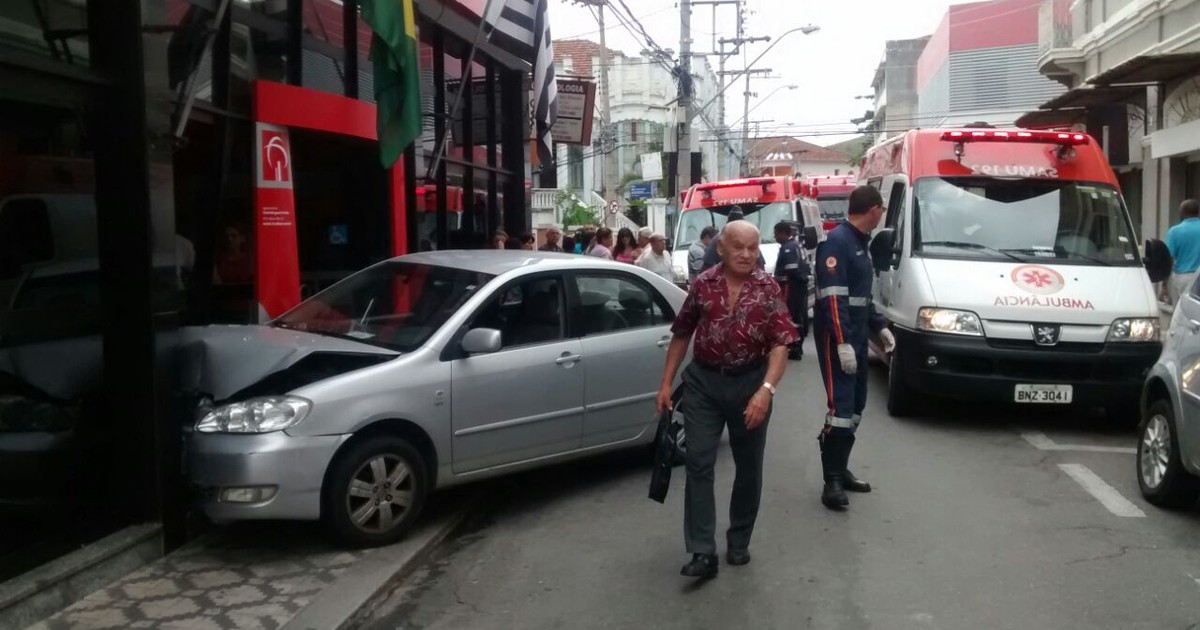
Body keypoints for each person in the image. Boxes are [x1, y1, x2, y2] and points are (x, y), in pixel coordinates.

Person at [655, 221, 796, 580]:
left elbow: (781, 343)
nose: (747, 254)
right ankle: (702, 551)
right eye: (739, 247)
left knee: (748, 467)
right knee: (699, 462)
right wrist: (666, 383)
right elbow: (682, 333)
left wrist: (766, 390)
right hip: (704, 384)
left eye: (753, 247)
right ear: (722, 248)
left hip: (751, 382)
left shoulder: (768, 288)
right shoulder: (703, 285)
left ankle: (739, 539)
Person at [813, 186, 896, 510]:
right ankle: (831, 482)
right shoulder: (838, 242)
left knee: (857, 406)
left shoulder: (861, 243)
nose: (882, 214)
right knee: (841, 408)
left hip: (859, 336)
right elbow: (833, 298)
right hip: (839, 339)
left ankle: (840, 467)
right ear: (873, 209)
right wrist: (842, 342)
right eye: (882, 209)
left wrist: (881, 327)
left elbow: (862, 297)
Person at [773, 221, 810, 360]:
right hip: (796, 287)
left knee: (792, 316)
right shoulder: (796, 245)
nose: (775, 237)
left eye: (776, 234)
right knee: (797, 316)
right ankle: (796, 345)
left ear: (783, 233)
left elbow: (791, 269)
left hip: (791, 287)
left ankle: (795, 347)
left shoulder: (788, 247)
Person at [701, 208, 766, 271]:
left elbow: (760, 263)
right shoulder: (719, 239)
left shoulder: (748, 238)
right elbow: (707, 266)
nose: (745, 255)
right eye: (737, 247)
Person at [1165, 199, 1200, 304]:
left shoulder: (1174, 231)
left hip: (1182, 277)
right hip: (1198, 276)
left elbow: (1168, 259)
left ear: (1183, 212)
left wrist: (1164, 284)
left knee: (1180, 312)